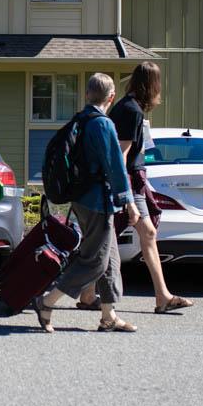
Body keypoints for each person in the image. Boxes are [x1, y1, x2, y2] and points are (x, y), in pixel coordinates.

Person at [77, 62, 193, 314]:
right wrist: (126, 195)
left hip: (127, 182)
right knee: (126, 237)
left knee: (113, 238)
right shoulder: (131, 111)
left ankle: (90, 294)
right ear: (152, 85)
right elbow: (121, 155)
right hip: (127, 182)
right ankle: (159, 297)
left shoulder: (127, 108)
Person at [34, 73, 139, 333]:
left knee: (110, 257)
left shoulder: (81, 119)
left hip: (83, 198)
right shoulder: (103, 124)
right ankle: (46, 302)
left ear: (87, 95)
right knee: (95, 260)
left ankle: (109, 316)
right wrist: (129, 201)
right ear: (111, 97)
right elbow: (115, 165)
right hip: (97, 202)